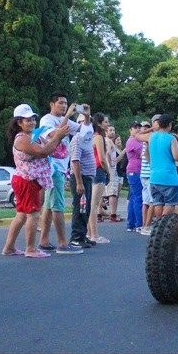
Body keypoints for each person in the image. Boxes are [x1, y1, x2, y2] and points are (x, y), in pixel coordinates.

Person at [1, 104, 71, 258]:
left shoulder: (34, 135)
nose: (32, 122)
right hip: (27, 180)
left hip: (31, 180)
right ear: (19, 122)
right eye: (27, 120)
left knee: (21, 215)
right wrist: (58, 136)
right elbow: (42, 152)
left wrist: (58, 136)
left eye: (33, 119)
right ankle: (31, 248)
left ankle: (9, 247)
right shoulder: (22, 139)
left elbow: (52, 150)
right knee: (32, 214)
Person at [36, 91, 86, 254]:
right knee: (57, 205)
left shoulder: (65, 121)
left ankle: (44, 241)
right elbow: (55, 134)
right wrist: (68, 116)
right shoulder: (46, 119)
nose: (64, 106)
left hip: (61, 167)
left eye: (66, 103)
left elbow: (84, 132)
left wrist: (87, 115)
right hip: (53, 167)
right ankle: (63, 243)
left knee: (50, 206)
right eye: (61, 103)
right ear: (52, 104)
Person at [135, 113, 178, 223]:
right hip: (169, 177)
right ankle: (163, 223)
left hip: (155, 176)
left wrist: (152, 129)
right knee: (170, 202)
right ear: (169, 125)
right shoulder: (171, 139)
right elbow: (176, 157)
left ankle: (159, 222)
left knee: (158, 202)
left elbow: (137, 136)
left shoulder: (151, 136)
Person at [69, 113, 97, 249]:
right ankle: (76, 237)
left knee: (86, 208)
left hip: (87, 177)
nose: (85, 125)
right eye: (81, 122)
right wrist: (79, 182)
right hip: (81, 178)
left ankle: (82, 234)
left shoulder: (87, 139)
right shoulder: (77, 139)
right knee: (80, 208)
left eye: (87, 122)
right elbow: (75, 160)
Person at [87, 112, 113, 244]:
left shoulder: (92, 136)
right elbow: (102, 158)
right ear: (99, 123)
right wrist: (108, 172)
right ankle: (94, 234)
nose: (107, 124)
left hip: (92, 170)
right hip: (99, 170)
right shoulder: (99, 138)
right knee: (94, 204)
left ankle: (89, 232)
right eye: (105, 122)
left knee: (91, 203)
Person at [124, 121, 144, 232]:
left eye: (139, 127)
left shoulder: (137, 140)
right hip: (135, 171)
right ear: (130, 130)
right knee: (138, 197)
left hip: (135, 170)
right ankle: (138, 224)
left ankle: (131, 223)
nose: (137, 129)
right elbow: (143, 154)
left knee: (133, 197)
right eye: (135, 127)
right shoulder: (133, 141)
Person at [101, 126, 124, 223]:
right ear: (106, 132)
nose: (113, 132)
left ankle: (99, 214)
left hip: (105, 169)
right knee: (113, 193)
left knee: (102, 193)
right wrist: (110, 164)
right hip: (111, 169)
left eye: (113, 130)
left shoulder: (103, 141)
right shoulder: (108, 141)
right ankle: (113, 215)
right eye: (110, 130)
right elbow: (108, 154)